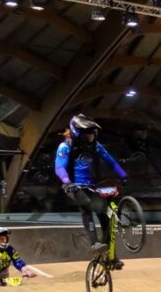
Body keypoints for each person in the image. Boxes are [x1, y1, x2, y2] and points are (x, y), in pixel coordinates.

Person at [55, 115, 128, 269]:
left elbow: (111, 161)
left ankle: (110, 256)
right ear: (76, 133)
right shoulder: (66, 146)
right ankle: (95, 243)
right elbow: (59, 167)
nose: (90, 137)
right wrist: (67, 182)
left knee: (107, 217)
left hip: (91, 187)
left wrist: (124, 175)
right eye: (86, 134)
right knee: (86, 204)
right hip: (72, 186)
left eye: (92, 134)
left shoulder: (95, 145)